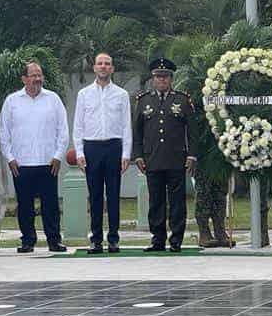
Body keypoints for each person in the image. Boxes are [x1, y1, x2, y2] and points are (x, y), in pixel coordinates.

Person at [0, 60, 70, 254]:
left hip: (48, 163)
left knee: (51, 206)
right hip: (21, 164)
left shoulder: (53, 99)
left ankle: (54, 241)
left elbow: (63, 131)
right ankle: (28, 241)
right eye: (33, 75)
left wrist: (58, 156)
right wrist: (10, 157)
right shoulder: (12, 101)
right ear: (24, 78)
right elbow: (3, 132)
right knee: (24, 206)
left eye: (40, 75)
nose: (38, 79)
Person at [133, 58, 196, 252]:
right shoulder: (143, 101)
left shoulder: (182, 100)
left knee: (177, 202)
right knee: (156, 201)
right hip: (152, 159)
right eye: (158, 77)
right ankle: (157, 239)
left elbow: (192, 131)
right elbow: (137, 132)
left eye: (165, 77)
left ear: (171, 79)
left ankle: (176, 240)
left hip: (176, 159)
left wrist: (192, 155)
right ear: (153, 79)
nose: (162, 80)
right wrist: (138, 156)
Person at [73, 52, 132, 254]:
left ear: (112, 68)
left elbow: (126, 127)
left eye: (107, 64)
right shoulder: (84, 94)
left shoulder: (121, 95)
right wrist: (79, 152)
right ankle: (96, 239)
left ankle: (113, 239)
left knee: (114, 194)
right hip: (92, 148)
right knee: (95, 195)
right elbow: (78, 126)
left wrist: (126, 154)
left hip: (114, 147)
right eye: (100, 63)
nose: (104, 67)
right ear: (94, 68)